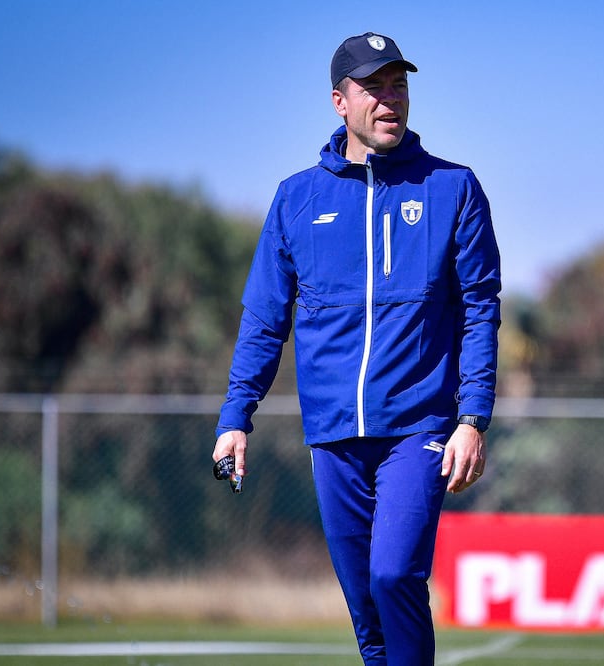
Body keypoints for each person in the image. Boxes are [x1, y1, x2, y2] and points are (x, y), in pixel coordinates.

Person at [211, 31, 501, 665]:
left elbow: (480, 310)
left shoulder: (453, 188)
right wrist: (236, 418)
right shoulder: (296, 198)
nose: (390, 99)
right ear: (340, 101)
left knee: (394, 576)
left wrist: (473, 418)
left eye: (399, 84)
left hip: (420, 426)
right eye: (374, 86)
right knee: (367, 616)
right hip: (333, 432)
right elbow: (265, 318)